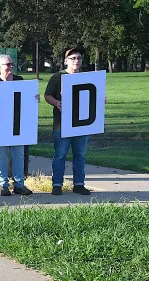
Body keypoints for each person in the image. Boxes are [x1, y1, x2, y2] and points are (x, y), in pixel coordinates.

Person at [0, 55, 39, 196]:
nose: (10, 67)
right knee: (1, 154)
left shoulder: (19, 80)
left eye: (11, 64)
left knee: (18, 154)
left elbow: (26, 99)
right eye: (7, 64)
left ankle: (19, 184)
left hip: (17, 122)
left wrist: (34, 98)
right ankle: (3, 185)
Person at [44, 48, 94, 196]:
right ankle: (57, 184)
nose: (76, 61)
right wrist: (56, 102)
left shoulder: (86, 77)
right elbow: (47, 95)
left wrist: (99, 100)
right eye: (73, 58)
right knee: (60, 154)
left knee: (80, 155)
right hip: (62, 124)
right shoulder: (57, 77)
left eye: (78, 58)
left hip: (81, 124)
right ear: (66, 61)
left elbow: (92, 95)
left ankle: (79, 184)